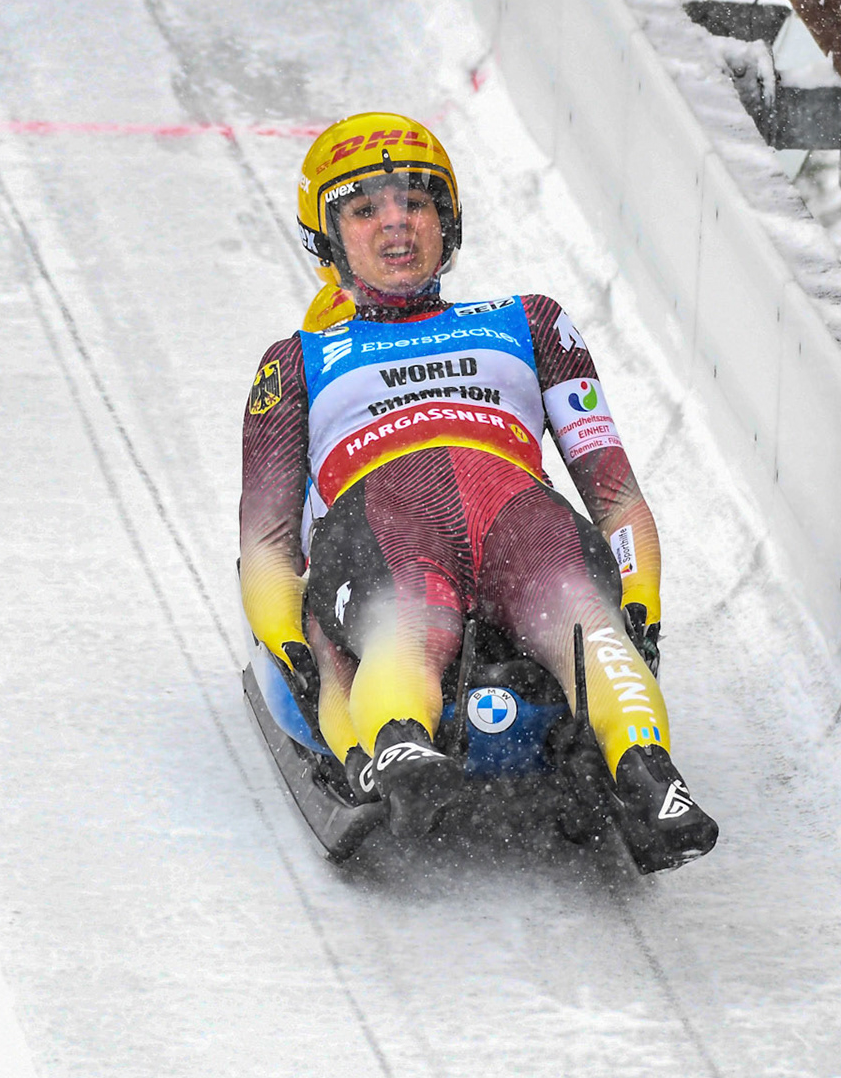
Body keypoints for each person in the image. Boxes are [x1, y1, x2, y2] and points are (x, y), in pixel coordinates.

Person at [238, 111, 719, 871]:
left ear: (448, 223)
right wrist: (295, 649)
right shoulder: (296, 361)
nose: (397, 224)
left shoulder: (531, 322)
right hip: (386, 513)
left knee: (588, 622)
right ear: (326, 237)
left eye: (418, 203)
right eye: (365, 209)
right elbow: (265, 544)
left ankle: (650, 775)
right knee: (401, 616)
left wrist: (641, 610)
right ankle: (401, 743)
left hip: (514, 508)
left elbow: (614, 490)